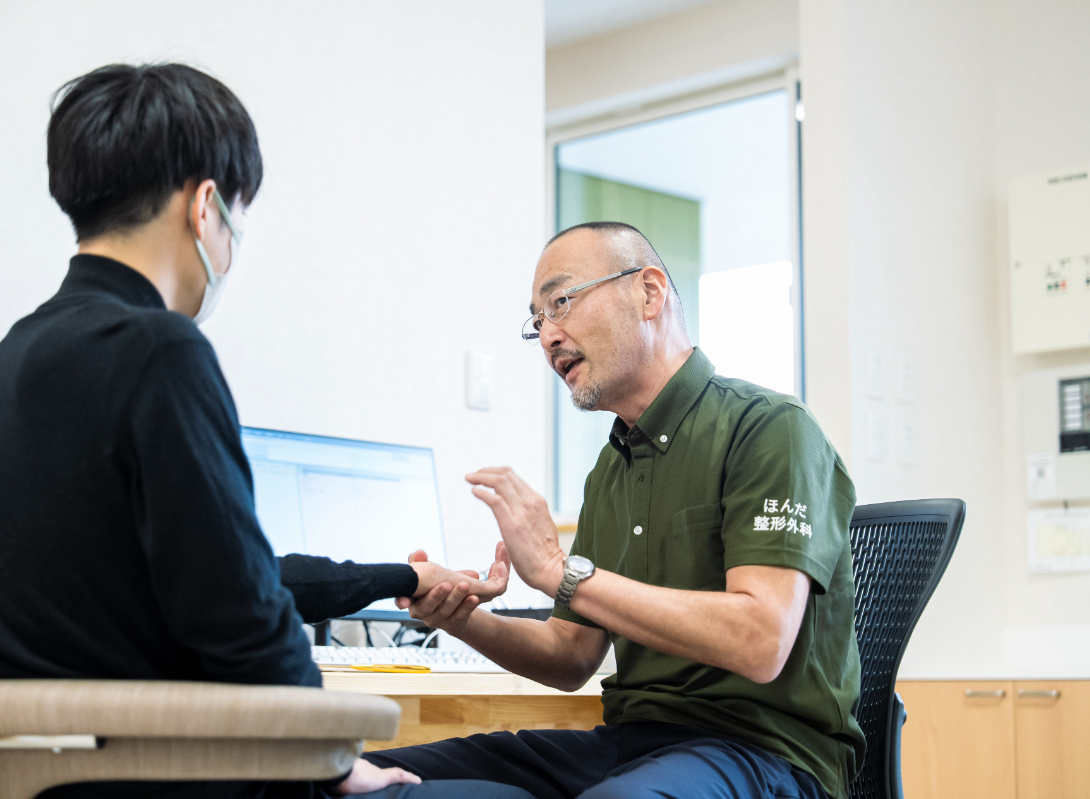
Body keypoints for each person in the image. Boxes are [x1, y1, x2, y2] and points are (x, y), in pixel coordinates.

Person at [0, 63, 532, 799]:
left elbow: (238, 577)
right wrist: (339, 762)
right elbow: (245, 619)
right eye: (237, 214)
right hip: (172, 779)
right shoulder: (159, 349)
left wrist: (403, 577)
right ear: (205, 205)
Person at [366, 221, 865, 799]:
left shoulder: (770, 428)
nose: (548, 335)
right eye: (538, 320)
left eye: (561, 301)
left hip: (767, 753)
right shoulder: (610, 469)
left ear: (647, 293)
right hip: (631, 745)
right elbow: (572, 654)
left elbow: (760, 641)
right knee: (362, 778)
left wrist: (560, 570)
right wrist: (460, 619)